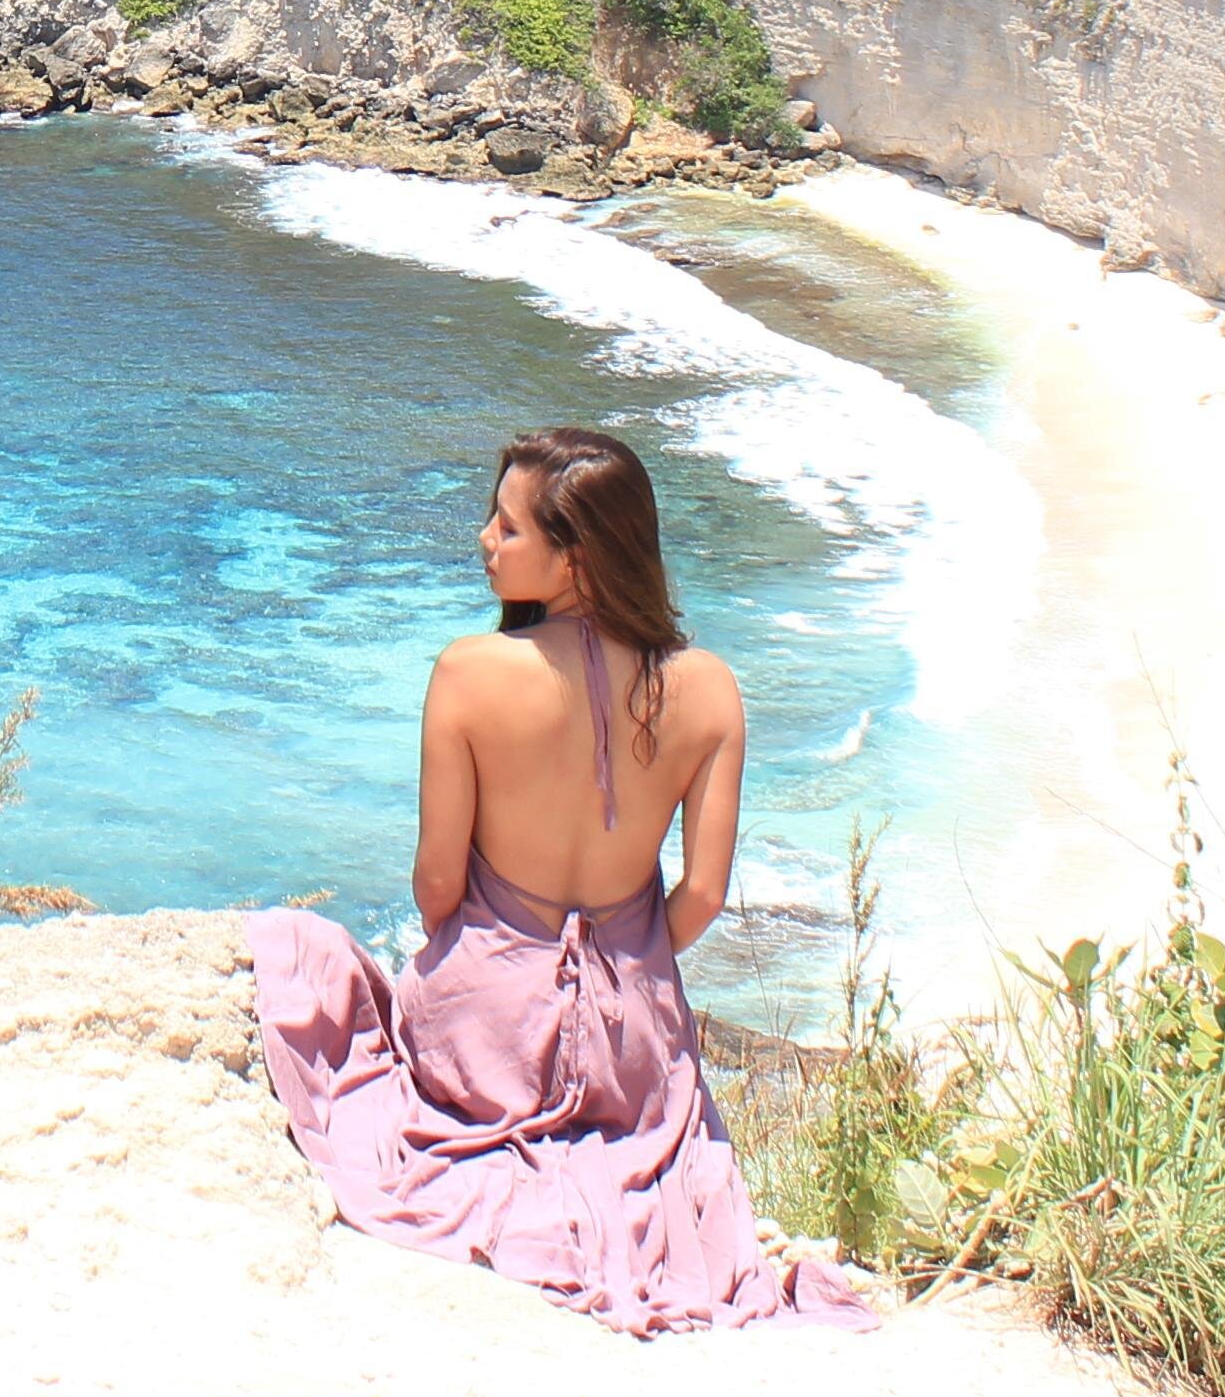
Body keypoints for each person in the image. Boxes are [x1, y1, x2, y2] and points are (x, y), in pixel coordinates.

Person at [246, 424, 870, 1335]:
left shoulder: (469, 672)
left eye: (508, 528)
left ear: (575, 557)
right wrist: (626, 954)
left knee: (298, 949)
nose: (485, 541)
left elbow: (436, 886)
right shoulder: (709, 689)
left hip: (484, 1035)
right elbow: (701, 895)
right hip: (634, 1054)